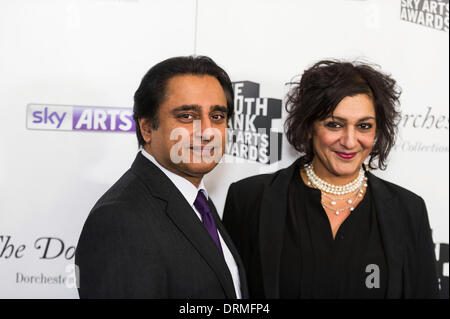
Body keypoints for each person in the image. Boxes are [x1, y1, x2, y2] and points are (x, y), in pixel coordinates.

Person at [223, 60, 439, 299]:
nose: (349, 141)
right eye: (334, 125)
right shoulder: (249, 199)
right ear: (308, 127)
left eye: (364, 126)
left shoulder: (408, 210)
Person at [76, 56, 248, 299]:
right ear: (147, 128)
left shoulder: (197, 201)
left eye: (217, 117)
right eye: (187, 116)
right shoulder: (120, 219)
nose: (207, 132)